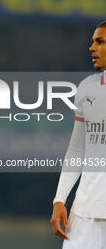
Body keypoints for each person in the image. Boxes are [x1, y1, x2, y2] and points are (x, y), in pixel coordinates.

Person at [50, 21, 106, 248]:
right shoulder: (87, 88)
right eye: (93, 41)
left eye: (100, 42)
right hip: (86, 211)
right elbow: (77, 148)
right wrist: (60, 199)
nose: (91, 48)